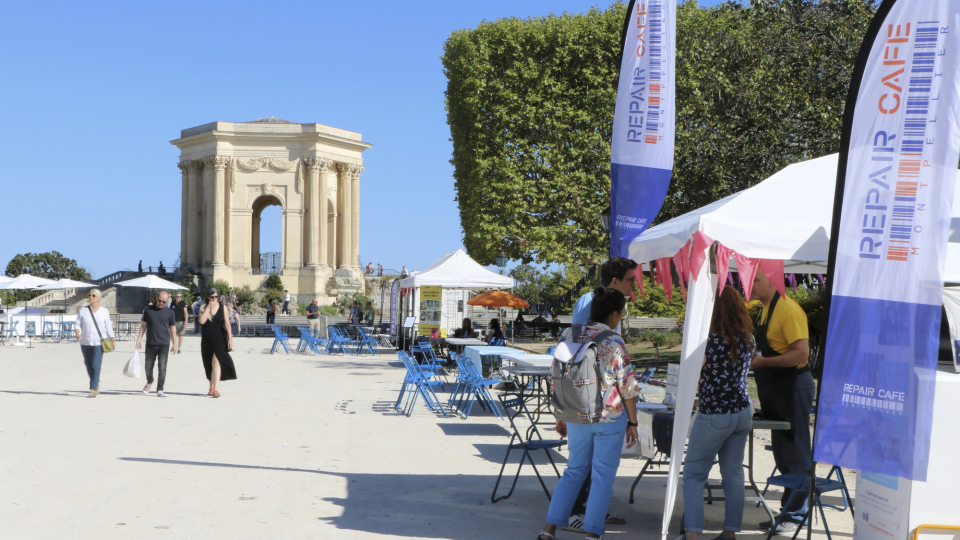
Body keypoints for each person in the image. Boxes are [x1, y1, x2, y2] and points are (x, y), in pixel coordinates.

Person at [536, 287, 640, 540]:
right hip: (609, 416)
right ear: (614, 314)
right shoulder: (614, 341)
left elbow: (556, 375)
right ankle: (592, 535)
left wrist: (560, 414)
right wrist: (633, 422)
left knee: (573, 471)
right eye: (622, 313)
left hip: (576, 413)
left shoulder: (568, 334)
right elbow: (627, 386)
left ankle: (548, 531)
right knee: (602, 478)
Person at [561, 256, 638, 533]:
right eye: (630, 280)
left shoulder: (606, 303)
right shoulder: (593, 304)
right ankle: (578, 513)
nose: (634, 285)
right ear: (615, 281)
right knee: (585, 468)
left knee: (588, 467)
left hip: (591, 403)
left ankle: (585, 512)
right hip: (594, 404)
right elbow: (577, 356)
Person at [682, 287, 756, 540]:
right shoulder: (748, 338)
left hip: (715, 413)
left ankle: (692, 534)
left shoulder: (708, 340)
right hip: (742, 411)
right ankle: (729, 533)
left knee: (693, 475)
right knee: (733, 475)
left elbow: (690, 377)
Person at [749, 270, 813, 534]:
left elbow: (801, 354)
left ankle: (797, 516)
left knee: (796, 452)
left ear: (772, 280)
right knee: (783, 454)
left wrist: (763, 362)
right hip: (777, 389)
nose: (749, 284)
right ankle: (788, 510)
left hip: (794, 386)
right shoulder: (766, 308)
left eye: (755, 279)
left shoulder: (788, 309)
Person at [73, 288, 115, 398]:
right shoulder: (83, 310)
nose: (91, 297)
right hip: (85, 342)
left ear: (99, 298)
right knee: (88, 365)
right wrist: (77, 332)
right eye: (89, 295)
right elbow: (77, 324)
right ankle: (96, 382)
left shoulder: (104, 311)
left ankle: (93, 389)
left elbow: (108, 326)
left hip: (98, 342)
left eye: (93, 295)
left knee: (96, 365)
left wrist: (112, 339)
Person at [136, 291, 178, 398]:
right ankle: (150, 381)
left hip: (164, 343)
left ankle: (160, 389)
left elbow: (173, 328)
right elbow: (143, 325)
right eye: (159, 301)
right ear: (156, 298)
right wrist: (139, 339)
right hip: (151, 342)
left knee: (162, 367)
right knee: (148, 366)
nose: (161, 303)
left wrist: (175, 344)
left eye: (164, 302)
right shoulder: (148, 310)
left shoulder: (170, 312)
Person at [198, 287, 237, 398]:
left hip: (220, 339)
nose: (214, 299)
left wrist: (230, 339)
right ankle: (211, 386)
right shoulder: (203, 308)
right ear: (208, 297)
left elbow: (227, 324)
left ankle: (215, 389)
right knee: (208, 363)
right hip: (207, 340)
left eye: (216, 297)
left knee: (216, 362)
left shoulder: (222, 307)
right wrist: (208, 308)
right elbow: (202, 321)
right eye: (212, 297)